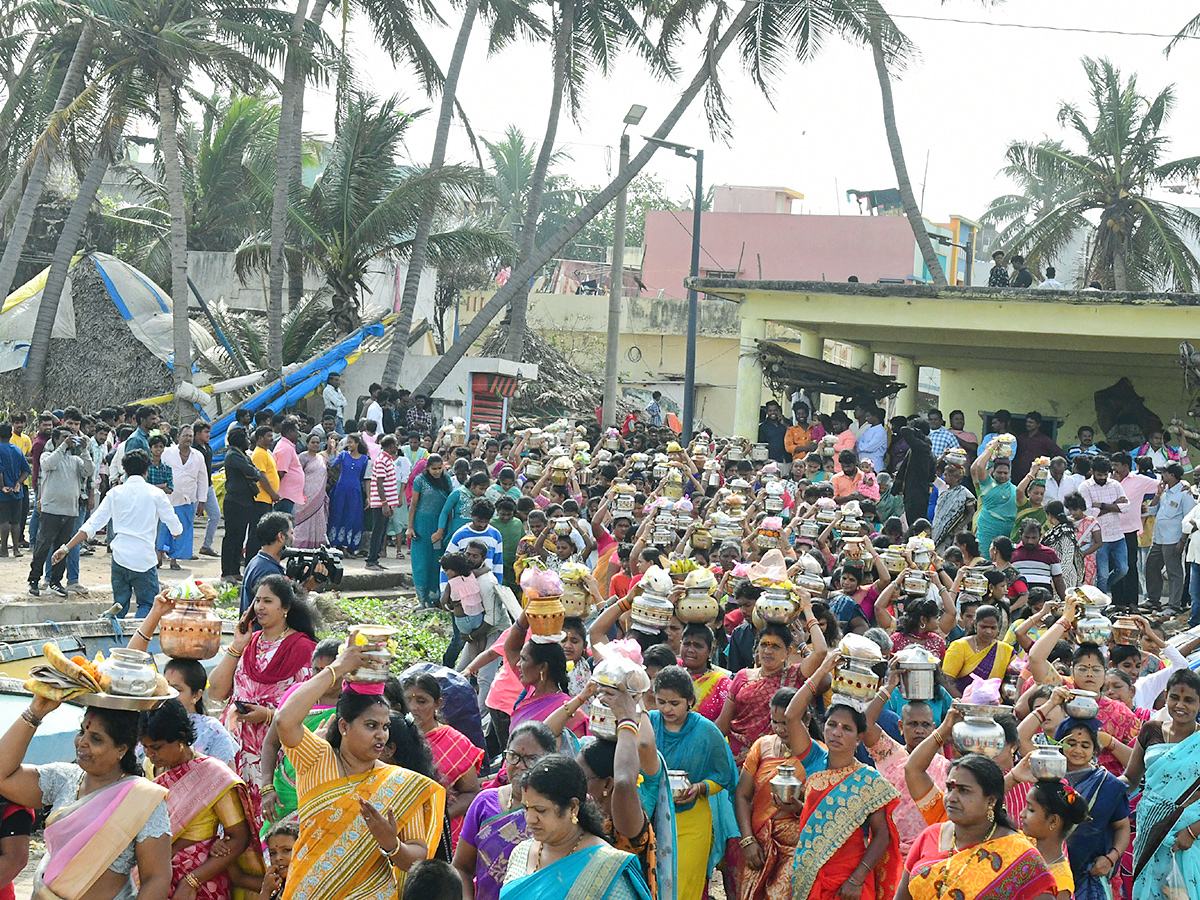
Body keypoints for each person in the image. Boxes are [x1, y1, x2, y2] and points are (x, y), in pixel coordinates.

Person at [274, 638, 446, 900]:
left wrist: (392, 845)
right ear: (344, 727)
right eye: (370, 726)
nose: (381, 736)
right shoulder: (317, 759)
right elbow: (284, 719)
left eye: (385, 727)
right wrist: (338, 668)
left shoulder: (401, 784)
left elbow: (417, 857)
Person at [0, 697, 172, 900]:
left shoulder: (143, 798)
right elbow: (4, 775)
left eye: (96, 739)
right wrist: (35, 712)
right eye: (82, 732)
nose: (82, 743)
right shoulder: (63, 778)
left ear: (121, 749)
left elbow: (157, 878)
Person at [208, 574, 319, 833]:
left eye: (268, 601)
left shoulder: (304, 650)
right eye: (257, 600)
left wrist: (269, 716)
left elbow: (313, 708)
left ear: (286, 608)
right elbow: (216, 691)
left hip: (276, 753)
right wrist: (237, 645)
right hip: (239, 751)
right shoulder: (249, 644)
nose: (259, 607)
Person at [784, 684, 901, 900]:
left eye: (847, 728)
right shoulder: (814, 759)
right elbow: (791, 715)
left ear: (858, 738)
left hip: (849, 879)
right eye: (832, 725)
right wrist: (822, 668)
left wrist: (857, 879)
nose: (837, 732)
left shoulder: (868, 780)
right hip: (809, 872)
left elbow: (882, 835)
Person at [139, 699, 262, 900]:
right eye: (145, 747)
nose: (149, 754)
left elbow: (239, 837)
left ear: (181, 738)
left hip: (202, 884)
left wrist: (192, 881)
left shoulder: (212, 776)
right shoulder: (149, 768)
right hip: (156, 878)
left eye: (156, 747)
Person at [896, 755, 1057, 900]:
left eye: (964, 791)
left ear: (991, 801)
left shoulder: (1019, 854)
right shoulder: (930, 836)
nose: (951, 798)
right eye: (950, 788)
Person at [498, 755, 651, 900]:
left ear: (572, 807)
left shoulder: (605, 867)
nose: (530, 819)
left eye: (540, 810)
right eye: (526, 808)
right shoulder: (521, 853)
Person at [53, 448, 181, 616]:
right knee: (147, 605)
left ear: (125, 471)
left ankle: (116, 636)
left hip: (120, 558)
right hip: (144, 560)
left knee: (119, 606)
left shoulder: (115, 493)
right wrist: (176, 532)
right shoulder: (156, 494)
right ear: (147, 470)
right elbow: (176, 528)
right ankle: (138, 640)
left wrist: (66, 548)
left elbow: (91, 525)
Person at [650, 666, 738, 900]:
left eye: (674, 703)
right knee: (652, 884)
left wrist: (699, 788)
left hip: (691, 818)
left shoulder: (706, 731)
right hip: (651, 818)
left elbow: (724, 775)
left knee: (683, 885)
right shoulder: (648, 724)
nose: (666, 709)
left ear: (690, 700)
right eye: (661, 701)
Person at [453, 721, 558, 900]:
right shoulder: (484, 803)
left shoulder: (562, 808)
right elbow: (461, 867)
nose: (520, 765)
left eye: (531, 759)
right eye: (513, 756)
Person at [735, 687, 821, 900]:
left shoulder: (820, 756)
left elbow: (822, 812)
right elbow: (742, 795)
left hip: (797, 849)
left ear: (806, 719)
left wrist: (798, 808)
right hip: (758, 846)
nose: (781, 729)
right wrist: (747, 840)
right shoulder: (762, 747)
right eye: (775, 722)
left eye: (786, 722)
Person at [717, 620, 825, 765]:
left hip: (777, 759)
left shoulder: (795, 675)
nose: (768, 651)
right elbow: (722, 726)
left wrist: (807, 606)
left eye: (775, 646)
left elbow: (821, 652)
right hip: (739, 761)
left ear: (787, 652)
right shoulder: (742, 676)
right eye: (763, 645)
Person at [404, 673, 484, 850]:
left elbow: (471, 793)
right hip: (400, 832)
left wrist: (439, 816)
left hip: (444, 835)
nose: (412, 707)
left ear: (437, 704)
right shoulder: (395, 735)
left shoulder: (456, 742)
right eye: (407, 700)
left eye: (422, 701)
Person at [28, 427, 93, 597]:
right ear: (56, 440)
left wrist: (85, 449)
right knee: (42, 546)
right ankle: (34, 580)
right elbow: (48, 465)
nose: (69, 440)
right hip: (51, 510)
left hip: (70, 511)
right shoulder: (47, 456)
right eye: (64, 437)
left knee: (62, 548)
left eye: (70, 438)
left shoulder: (76, 460)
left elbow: (89, 470)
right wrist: (63, 446)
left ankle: (56, 581)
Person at [1144, 462, 1193, 614]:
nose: (1161, 475)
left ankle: (1174, 605)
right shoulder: (1164, 492)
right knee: (1151, 567)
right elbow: (1151, 510)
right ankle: (1153, 601)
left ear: (1172, 475)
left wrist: (1182, 541)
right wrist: (1158, 494)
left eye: (1164, 473)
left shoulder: (1185, 493)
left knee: (1174, 572)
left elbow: (1189, 519)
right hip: (1158, 539)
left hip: (1173, 540)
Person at [409, 455, 454, 607]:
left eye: (439, 468)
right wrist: (410, 527)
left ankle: (435, 597)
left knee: (437, 561)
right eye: (433, 469)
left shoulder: (446, 480)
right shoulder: (419, 480)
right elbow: (414, 504)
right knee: (421, 561)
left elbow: (449, 505)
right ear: (427, 468)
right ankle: (422, 599)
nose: (436, 472)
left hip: (439, 526)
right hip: (421, 525)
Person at [941, 604, 1015, 697]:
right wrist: (963, 701)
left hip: (994, 705)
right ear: (975, 624)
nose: (989, 631)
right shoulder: (960, 646)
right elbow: (946, 681)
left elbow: (1018, 671)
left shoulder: (1005, 650)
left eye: (993, 628)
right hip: (962, 703)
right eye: (984, 627)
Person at [160, 425, 207, 570]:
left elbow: (203, 478)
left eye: (190, 436)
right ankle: (158, 557)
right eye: (185, 435)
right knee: (163, 529)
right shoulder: (167, 453)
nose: (188, 439)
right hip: (167, 498)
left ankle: (174, 559)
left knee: (182, 529)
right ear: (178, 437)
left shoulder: (198, 455)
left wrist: (202, 499)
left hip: (187, 499)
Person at [237, 512, 291, 616]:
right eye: (291, 533)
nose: (293, 538)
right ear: (281, 536)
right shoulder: (269, 571)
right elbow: (280, 614)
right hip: (263, 631)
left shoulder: (258, 562)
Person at [971, 441, 1017, 560]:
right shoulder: (987, 484)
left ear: (1010, 473)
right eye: (999, 472)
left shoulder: (1014, 489)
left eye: (1005, 473)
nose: (1002, 475)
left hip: (1007, 533)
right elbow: (979, 467)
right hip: (987, 532)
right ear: (993, 472)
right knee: (984, 563)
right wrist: (991, 448)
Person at [328, 433, 370, 555]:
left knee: (351, 517)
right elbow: (332, 464)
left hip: (355, 492)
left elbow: (363, 478)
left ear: (357, 443)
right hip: (341, 490)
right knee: (338, 515)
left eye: (351, 442)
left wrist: (368, 497)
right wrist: (332, 449)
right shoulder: (343, 455)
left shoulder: (364, 459)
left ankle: (347, 547)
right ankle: (336, 545)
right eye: (348, 442)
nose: (349, 445)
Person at [679, 624, 732, 721]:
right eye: (686, 644)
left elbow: (725, 723)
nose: (690, 650)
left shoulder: (721, 683)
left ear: (711, 651)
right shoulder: (673, 678)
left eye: (698, 646)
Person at [366, 435, 402, 570]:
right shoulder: (382, 460)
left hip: (385, 503)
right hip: (380, 503)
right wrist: (385, 503)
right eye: (396, 445)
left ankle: (375, 559)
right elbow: (379, 483)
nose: (397, 447)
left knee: (381, 532)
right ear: (391, 446)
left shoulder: (388, 460)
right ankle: (371, 560)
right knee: (377, 531)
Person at [293, 433, 330, 548]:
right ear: (307, 444)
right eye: (312, 442)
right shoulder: (303, 457)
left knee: (319, 523)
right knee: (303, 524)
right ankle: (299, 548)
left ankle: (316, 549)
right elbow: (297, 475)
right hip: (304, 496)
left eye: (317, 442)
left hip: (318, 498)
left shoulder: (322, 459)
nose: (315, 444)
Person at [0, 421, 31, 556]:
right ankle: (16, 549)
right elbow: (26, 470)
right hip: (17, 491)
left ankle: (4, 549)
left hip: (3, 491)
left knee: (4, 520)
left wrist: (2, 487)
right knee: (16, 521)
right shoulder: (17, 450)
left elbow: (0, 471)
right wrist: (18, 483)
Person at [272, 420, 305, 515]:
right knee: (285, 524)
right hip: (285, 496)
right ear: (290, 432)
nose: (298, 434)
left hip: (289, 495)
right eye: (296, 431)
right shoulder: (285, 448)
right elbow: (281, 472)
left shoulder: (288, 446)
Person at [758, 401, 789, 465]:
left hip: (785, 460)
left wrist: (785, 424)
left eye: (775, 410)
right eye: (770, 410)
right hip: (769, 460)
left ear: (778, 411)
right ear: (767, 412)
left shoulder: (784, 424)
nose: (773, 412)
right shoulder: (763, 427)